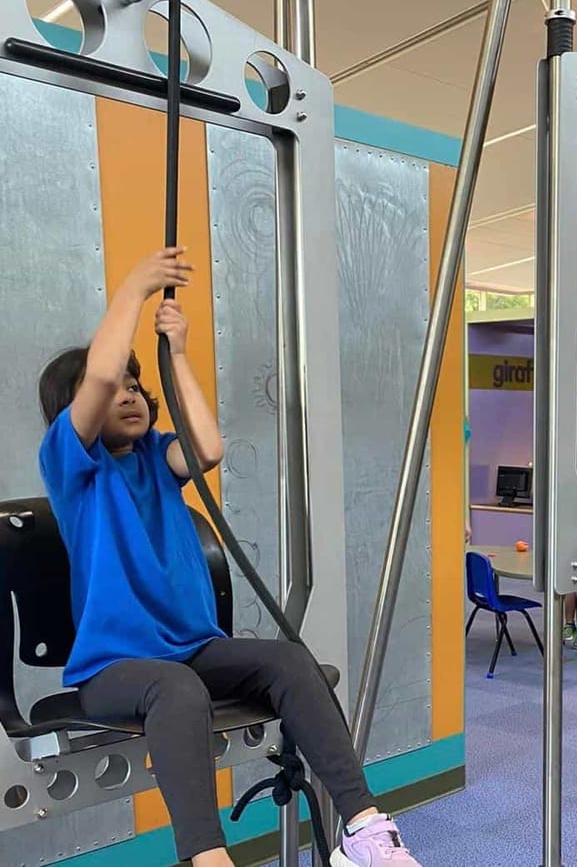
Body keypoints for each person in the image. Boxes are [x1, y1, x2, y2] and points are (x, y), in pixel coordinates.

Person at [37, 247, 420, 867]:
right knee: (176, 688)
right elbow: (100, 375)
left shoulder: (160, 460)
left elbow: (208, 446)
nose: (128, 393)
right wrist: (134, 289)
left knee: (290, 662)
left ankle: (364, 828)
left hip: (191, 648)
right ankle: (208, 857)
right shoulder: (73, 468)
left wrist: (180, 353)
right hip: (115, 669)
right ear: (76, 410)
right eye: (113, 390)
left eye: (137, 385)